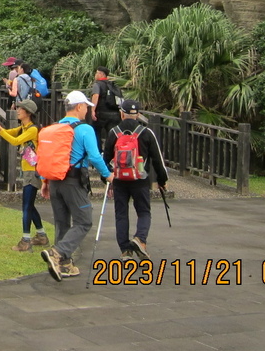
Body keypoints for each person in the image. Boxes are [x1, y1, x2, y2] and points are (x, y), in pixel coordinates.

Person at [38, 90, 113, 280]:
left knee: (62, 222)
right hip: (73, 181)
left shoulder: (55, 127)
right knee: (84, 220)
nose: (87, 110)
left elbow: (50, 157)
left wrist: (45, 182)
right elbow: (95, 156)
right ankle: (58, 253)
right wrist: (107, 175)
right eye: (86, 106)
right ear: (79, 106)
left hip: (55, 181)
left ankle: (64, 264)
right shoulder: (84, 129)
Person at [103, 99, 168, 260]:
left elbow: (105, 159)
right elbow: (158, 160)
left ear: (121, 114)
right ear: (138, 114)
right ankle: (140, 239)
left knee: (121, 214)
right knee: (144, 212)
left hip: (119, 180)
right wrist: (162, 180)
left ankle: (125, 251)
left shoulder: (114, 132)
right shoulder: (146, 133)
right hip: (139, 180)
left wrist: (107, 177)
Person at [0, 99, 50, 251]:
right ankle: (41, 236)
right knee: (29, 205)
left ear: (28, 112)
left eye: (20, 109)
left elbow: (15, 141)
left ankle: (26, 241)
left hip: (32, 171)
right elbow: (10, 133)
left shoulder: (32, 130)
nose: (17, 110)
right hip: (28, 170)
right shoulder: (24, 127)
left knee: (26, 206)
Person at [90, 67, 122, 148]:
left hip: (101, 114)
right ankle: (110, 153)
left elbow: (96, 95)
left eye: (97, 73)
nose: (95, 75)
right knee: (112, 135)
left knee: (96, 133)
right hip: (115, 114)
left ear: (101, 74)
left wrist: (93, 110)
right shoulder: (113, 85)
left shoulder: (97, 84)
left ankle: (98, 152)